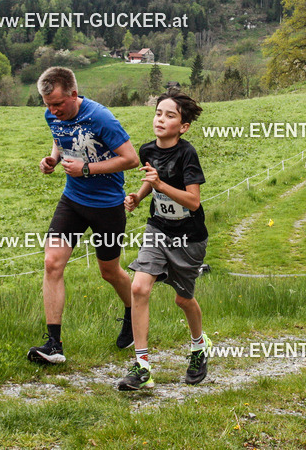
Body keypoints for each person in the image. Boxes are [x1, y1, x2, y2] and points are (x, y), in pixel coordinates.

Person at [27, 66, 141, 365]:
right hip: (73, 200)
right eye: (47, 105)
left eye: (58, 105)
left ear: (73, 94)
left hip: (107, 207)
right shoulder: (52, 115)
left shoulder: (100, 117)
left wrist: (88, 169)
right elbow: (60, 138)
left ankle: (134, 313)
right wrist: (52, 158)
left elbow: (131, 159)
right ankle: (54, 344)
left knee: (109, 272)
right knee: (52, 263)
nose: (52, 110)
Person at [118, 88, 210, 390]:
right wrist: (139, 196)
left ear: (182, 127)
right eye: (159, 113)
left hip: (188, 236)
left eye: (170, 115)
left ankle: (199, 346)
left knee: (183, 299)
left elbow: (193, 202)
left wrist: (159, 184)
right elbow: (152, 182)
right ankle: (142, 367)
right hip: (158, 229)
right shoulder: (147, 151)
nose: (161, 119)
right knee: (139, 287)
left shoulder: (187, 153)